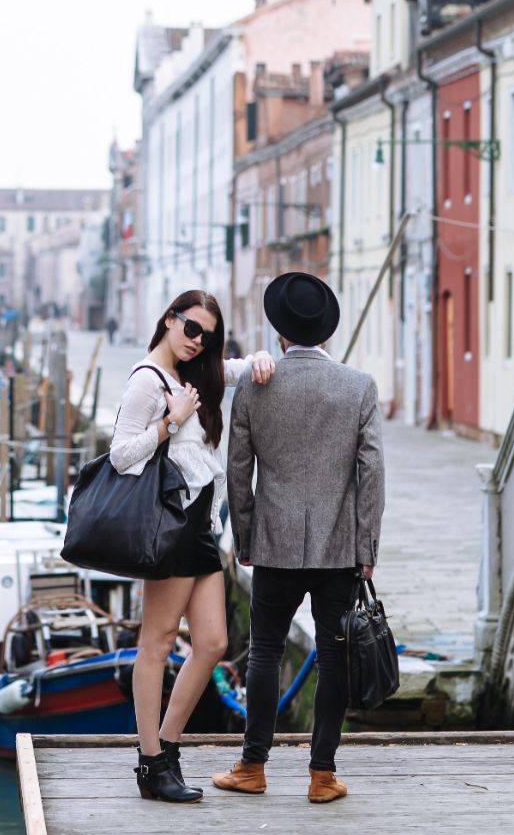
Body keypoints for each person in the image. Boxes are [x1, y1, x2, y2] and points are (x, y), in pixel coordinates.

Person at [213, 271, 384, 805]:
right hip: (339, 548)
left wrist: (244, 537)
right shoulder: (359, 387)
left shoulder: (254, 387)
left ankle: (252, 766)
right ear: (326, 333)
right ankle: (322, 776)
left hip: (273, 543)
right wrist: (366, 548)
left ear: (279, 332)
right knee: (333, 657)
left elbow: (238, 471)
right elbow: (372, 475)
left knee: (264, 651)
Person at [110, 290, 275, 803]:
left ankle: (167, 747)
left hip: (200, 526)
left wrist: (262, 357)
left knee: (212, 643)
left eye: (208, 335)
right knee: (157, 643)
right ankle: (151, 761)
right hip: (169, 528)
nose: (197, 340)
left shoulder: (197, 374)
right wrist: (172, 419)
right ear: (169, 320)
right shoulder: (147, 380)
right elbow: (120, 455)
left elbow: (240, 369)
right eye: (191, 328)